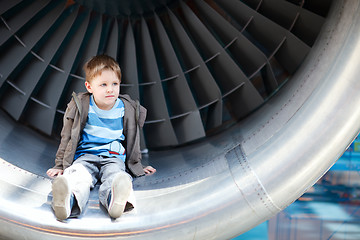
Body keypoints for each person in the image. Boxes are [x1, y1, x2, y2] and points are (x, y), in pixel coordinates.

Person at [46, 54, 156, 221]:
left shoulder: (126, 108)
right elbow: (67, 135)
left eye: (115, 84)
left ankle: (115, 200)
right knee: (76, 176)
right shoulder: (81, 106)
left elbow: (133, 139)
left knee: (117, 176)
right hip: (85, 157)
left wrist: (138, 165)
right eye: (103, 85)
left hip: (114, 158)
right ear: (89, 87)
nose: (110, 89)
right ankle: (67, 201)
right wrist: (60, 164)